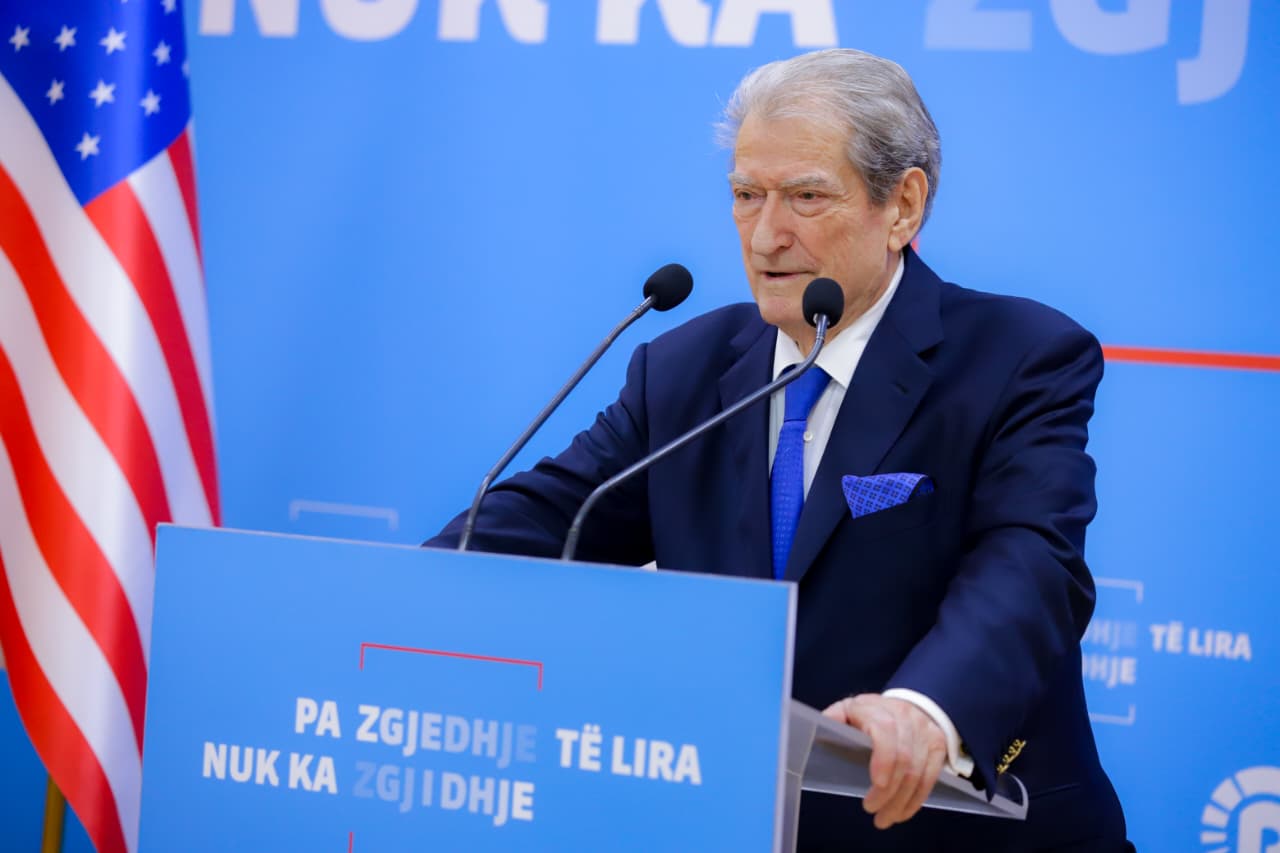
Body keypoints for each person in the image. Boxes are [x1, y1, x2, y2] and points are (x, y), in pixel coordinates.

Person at [428, 48, 1131, 852]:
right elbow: (548, 519)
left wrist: (922, 710)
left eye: (806, 196)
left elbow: (1030, 564)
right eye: (746, 195)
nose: (766, 235)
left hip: (957, 829)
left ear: (902, 207)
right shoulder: (684, 369)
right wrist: (393, 598)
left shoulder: (1018, 357)